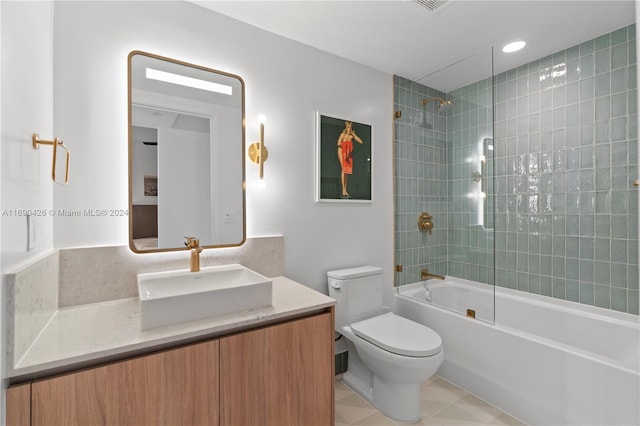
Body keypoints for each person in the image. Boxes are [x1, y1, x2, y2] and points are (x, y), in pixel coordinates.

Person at [336, 121, 363, 198]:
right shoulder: (343, 134)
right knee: (343, 169)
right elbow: (338, 143)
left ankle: (345, 189)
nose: (349, 128)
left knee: (346, 171)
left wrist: (354, 135)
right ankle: (343, 190)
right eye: (348, 127)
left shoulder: (352, 136)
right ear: (346, 127)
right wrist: (347, 140)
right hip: (341, 151)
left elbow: (361, 142)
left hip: (348, 153)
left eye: (350, 127)